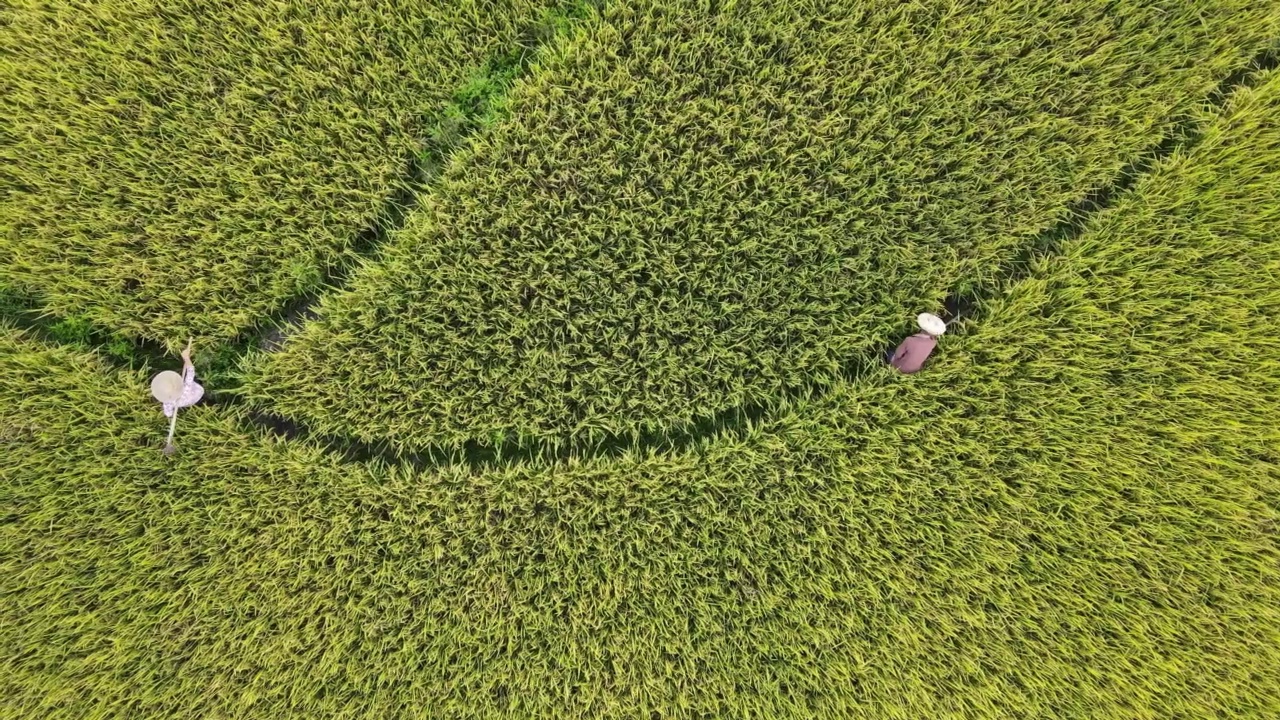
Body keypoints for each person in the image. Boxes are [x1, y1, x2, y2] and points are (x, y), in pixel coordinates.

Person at [150, 339, 204, 455]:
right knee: (195, 381)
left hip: (187, 402)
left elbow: (168, 413)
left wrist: (172, 408)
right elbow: (190, 372)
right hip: (198, 392)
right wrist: (186, 358)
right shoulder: (185, 390)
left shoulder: (168, 401)